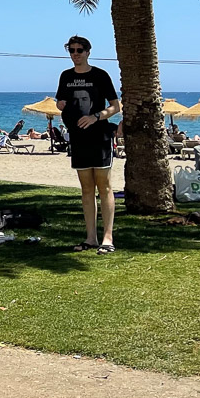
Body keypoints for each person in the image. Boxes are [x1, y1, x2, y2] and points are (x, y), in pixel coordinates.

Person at [55, 35, 120, 254]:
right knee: (86, 188)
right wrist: (60, 104)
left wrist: (96, 117)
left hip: (99, 137)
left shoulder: (100, 75)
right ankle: (91, 238)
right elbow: (61, 102)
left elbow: (115, 106)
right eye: (72, 50)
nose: (75, 54)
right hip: (78, 138)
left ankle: (108, 238)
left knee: (104, 186)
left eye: (79, 50)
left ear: (88, 52)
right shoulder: (66, 76)